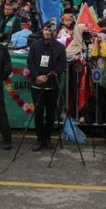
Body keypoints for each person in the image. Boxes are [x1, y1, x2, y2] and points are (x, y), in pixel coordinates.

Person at [26, 22, 67, 151]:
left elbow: (62, 64)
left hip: (51, 85)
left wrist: (50, 76)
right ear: (42, 30)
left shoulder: (59, 47)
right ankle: (39, 139)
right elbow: (30, 62)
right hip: (37, 85)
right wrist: (37, 76)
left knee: (50, 113)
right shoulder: (35, 45)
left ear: (55, 32)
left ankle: (48, 139)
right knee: (38, 113)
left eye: (51, 30)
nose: (48, 32)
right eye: (46, 29)